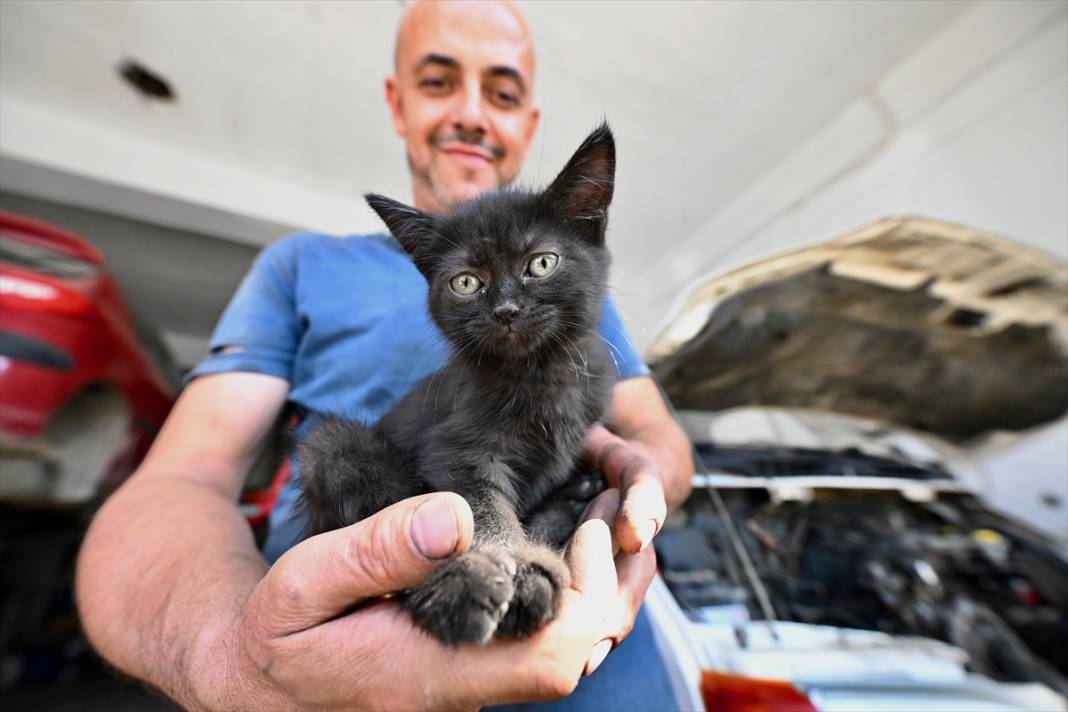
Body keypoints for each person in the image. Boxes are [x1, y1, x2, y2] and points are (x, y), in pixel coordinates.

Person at [75, 1, 693, 709]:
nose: (470, 112)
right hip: (345, 643)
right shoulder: (301, 265)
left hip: (597, 659)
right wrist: (231, 662)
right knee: (335, 450)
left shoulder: (583, 300)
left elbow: (660, 442)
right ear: (398, 104)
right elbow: (181, 477)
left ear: (530, 123)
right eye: (438, 82)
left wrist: (647, 485)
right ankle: (454, 579)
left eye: (501, 92)